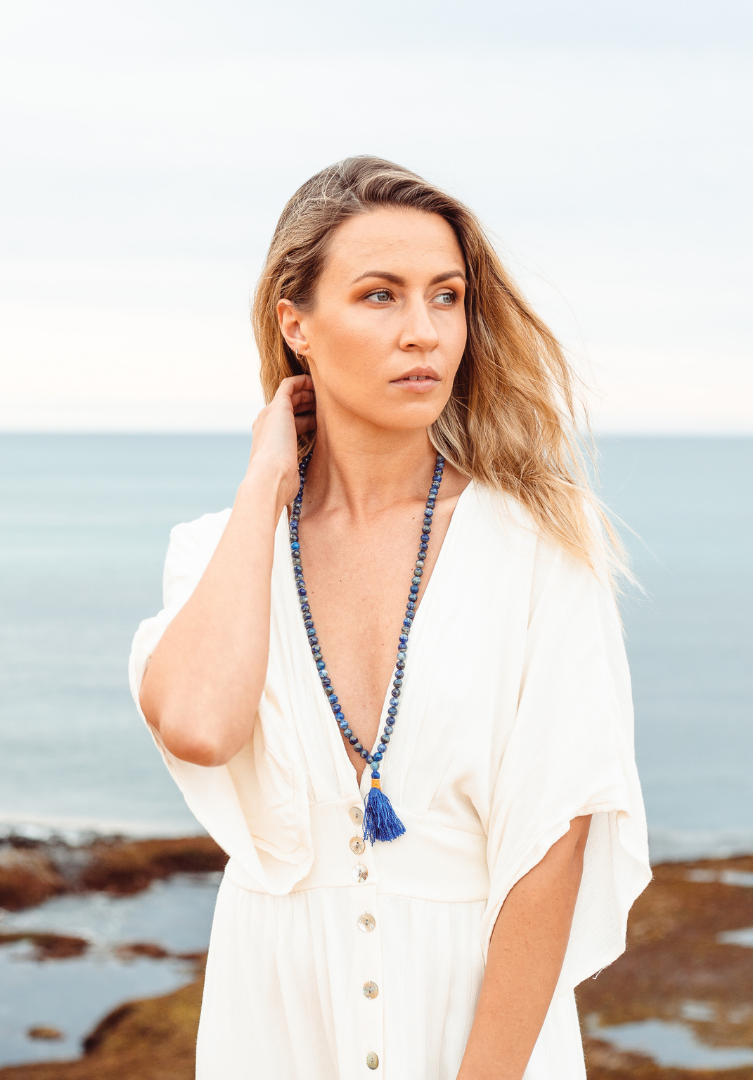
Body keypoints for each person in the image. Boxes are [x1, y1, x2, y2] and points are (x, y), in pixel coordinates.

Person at [129, 157, 650, 1079]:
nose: (424, 333)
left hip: (478, 1021)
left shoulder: (539, 549)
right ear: (297, 325)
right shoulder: (218, 550)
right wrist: (262, 490)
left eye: (445, 298)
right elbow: (202, 728)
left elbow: (553, 843)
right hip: (271, 1025)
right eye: (380, 296)